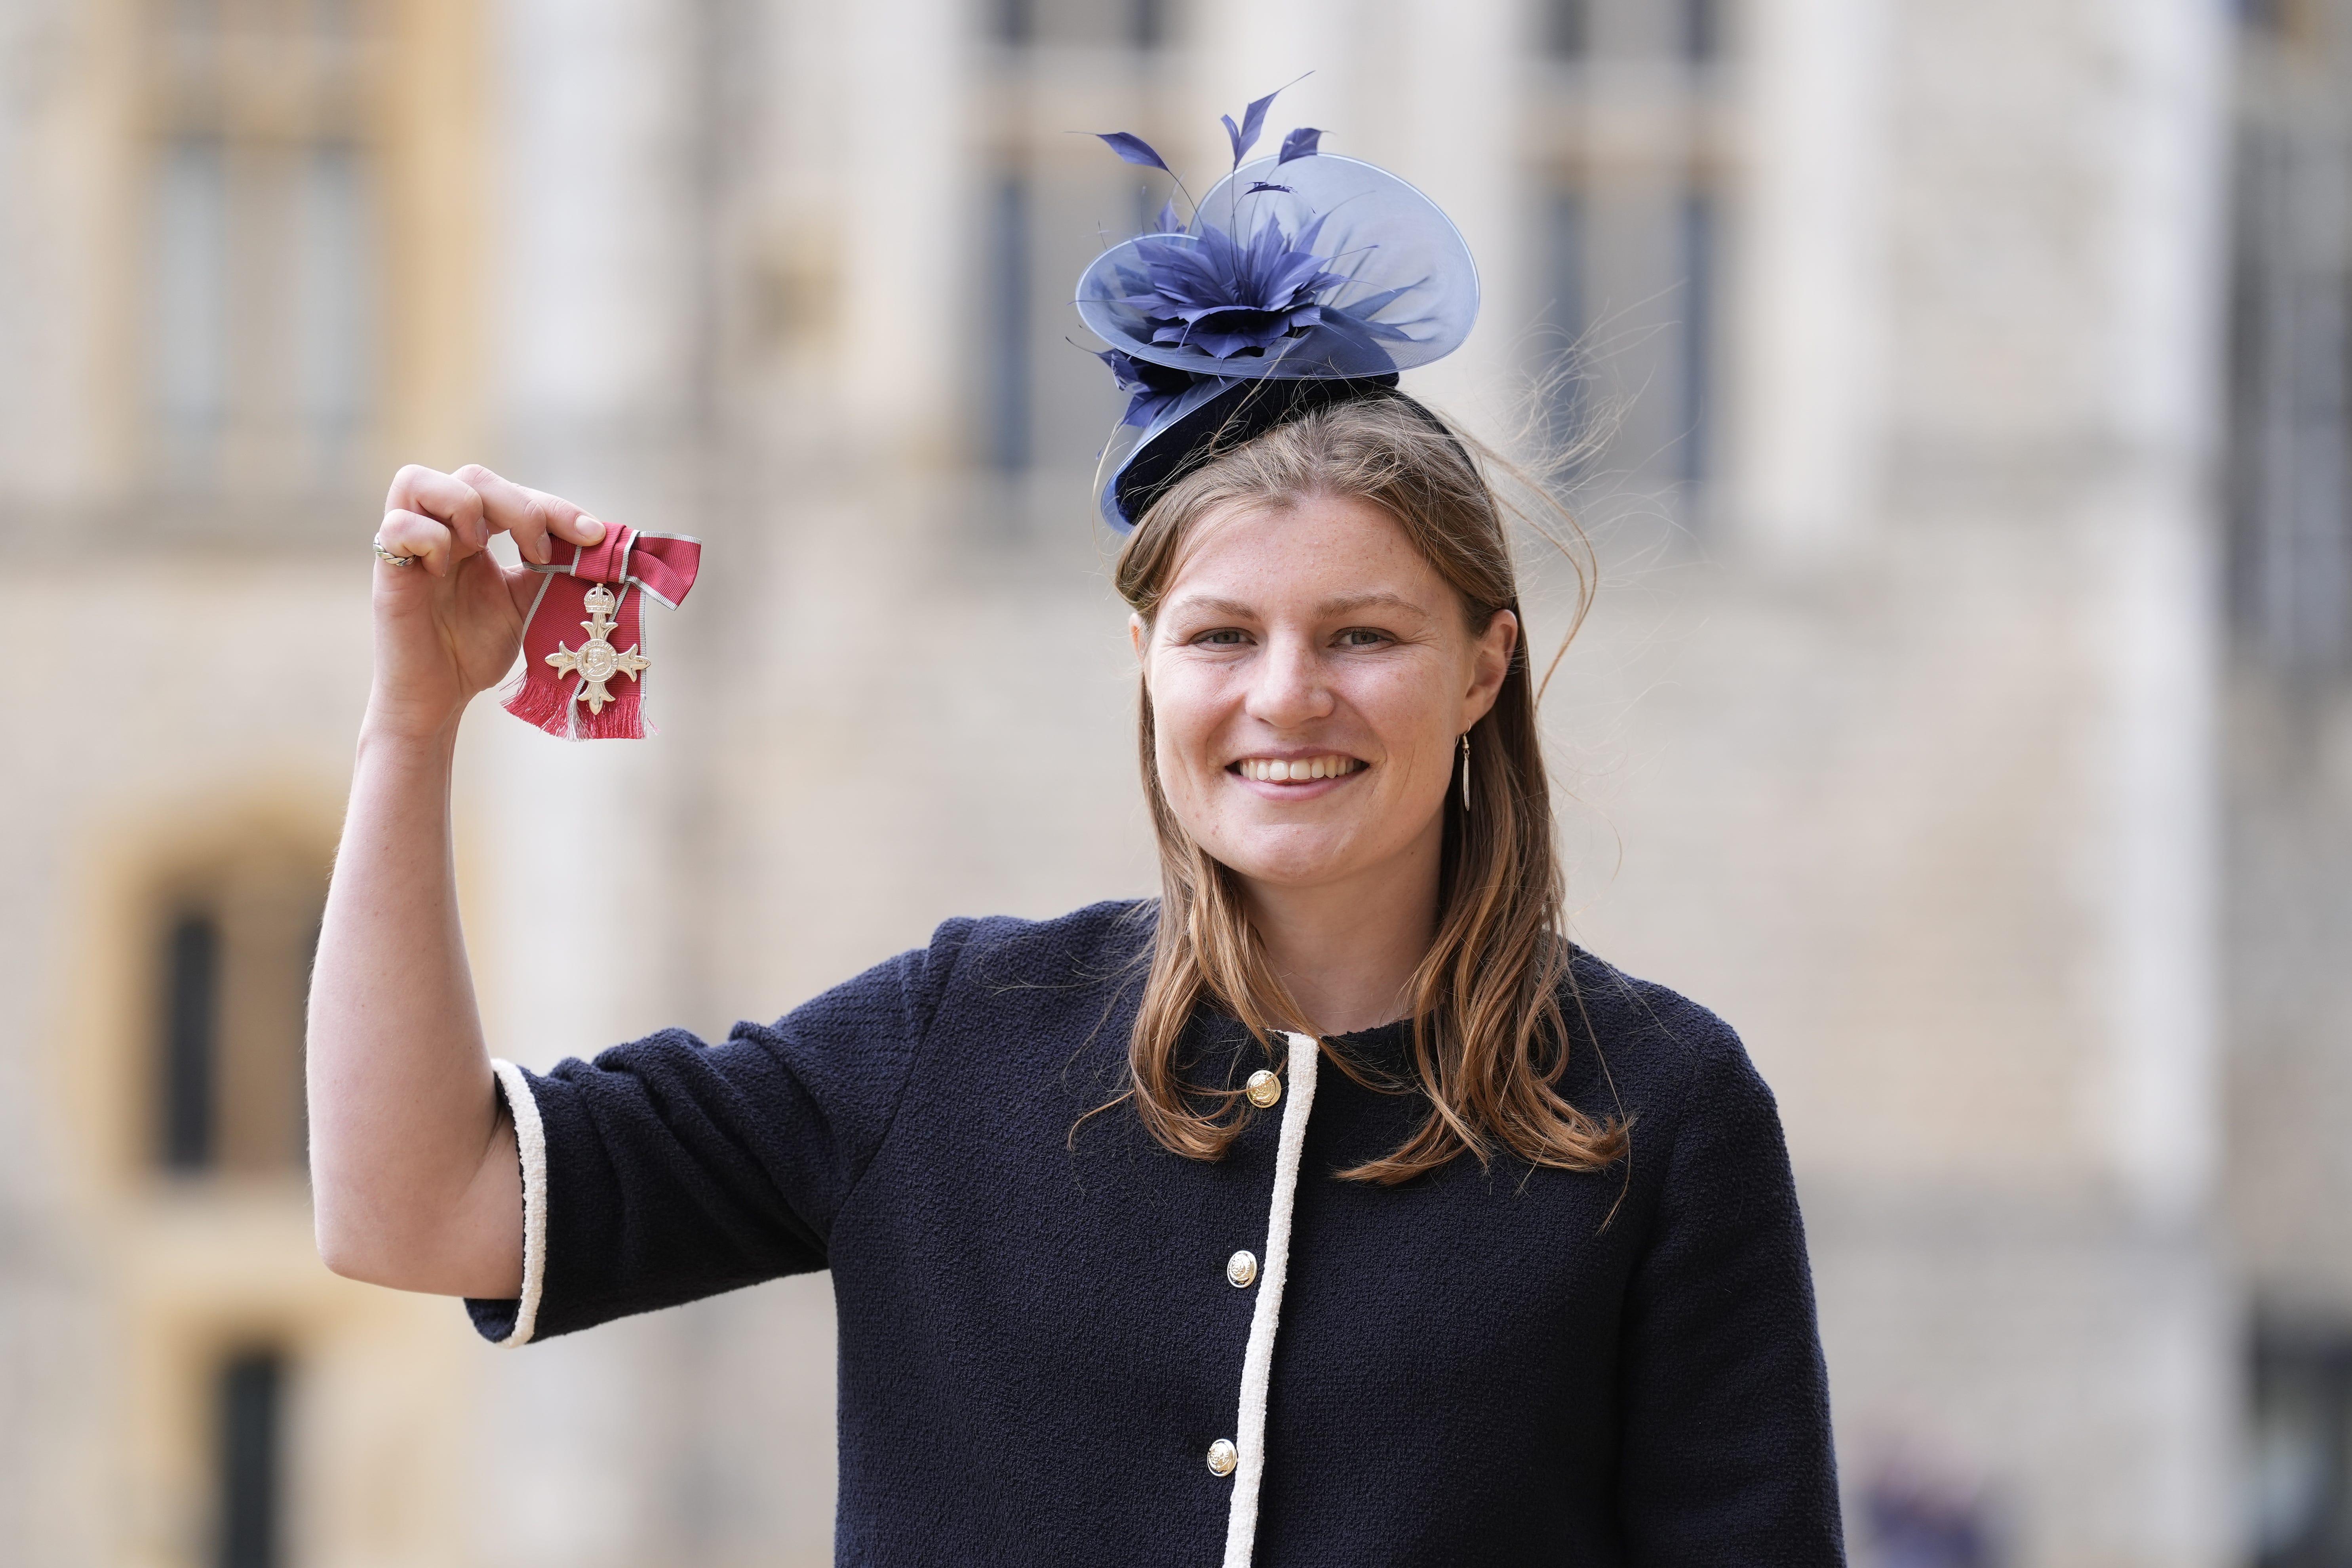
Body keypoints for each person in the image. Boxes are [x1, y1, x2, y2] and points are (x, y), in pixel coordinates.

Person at [308, 113, 1843, 1567]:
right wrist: (414, 728)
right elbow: (414, 1206)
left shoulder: (1662, 1104)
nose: (1287, 697)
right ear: (1146, 665)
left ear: (1485, 667)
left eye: (1364, 635)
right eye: (1222, 635)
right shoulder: (953, 1037)